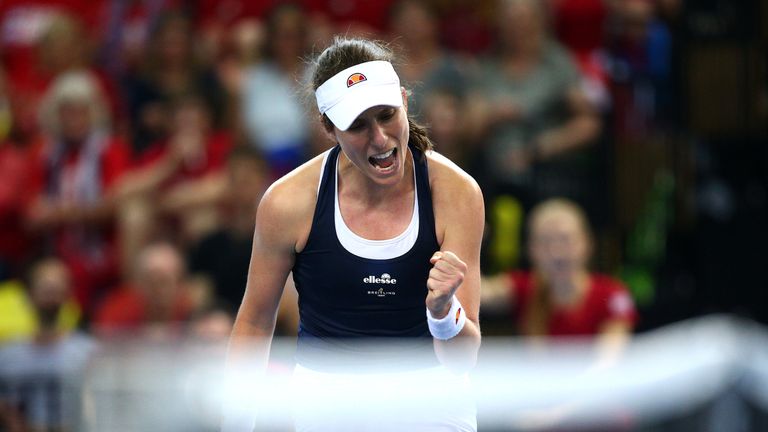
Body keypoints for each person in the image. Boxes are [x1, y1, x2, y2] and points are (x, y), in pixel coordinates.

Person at [224, 37, 483, 431]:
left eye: (386, 115)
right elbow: (255, 324)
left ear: (404, 100)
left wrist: (444, 312)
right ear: (329, 128)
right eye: (358, 125)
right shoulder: (288, 202)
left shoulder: (456, 193)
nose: (379, 139)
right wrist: (235, 425)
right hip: (328, 403)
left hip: (433, 401)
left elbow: (462, 360)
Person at [482, 198, 637, 339]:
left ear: (587, 243)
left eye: (566, 240)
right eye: (545, 242)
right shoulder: (523, 287)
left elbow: (610, 358)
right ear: (531, 250)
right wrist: (473, 238)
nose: (557, 253)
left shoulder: (613, 295)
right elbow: (480, 292)